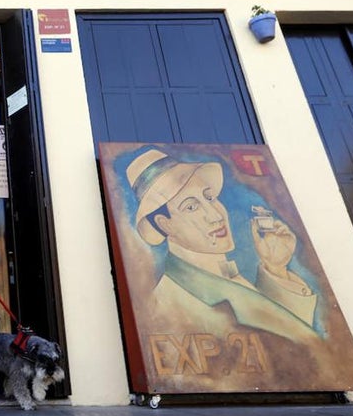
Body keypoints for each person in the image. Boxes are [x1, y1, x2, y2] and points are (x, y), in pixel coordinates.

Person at [125, 147, 319, 344]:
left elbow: (295, 343)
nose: (216, 215)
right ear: (164, 224)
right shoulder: (170, 305)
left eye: (210, 198)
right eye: (191, 207)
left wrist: (277, 270)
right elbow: (295, 347)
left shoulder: (222, 276)